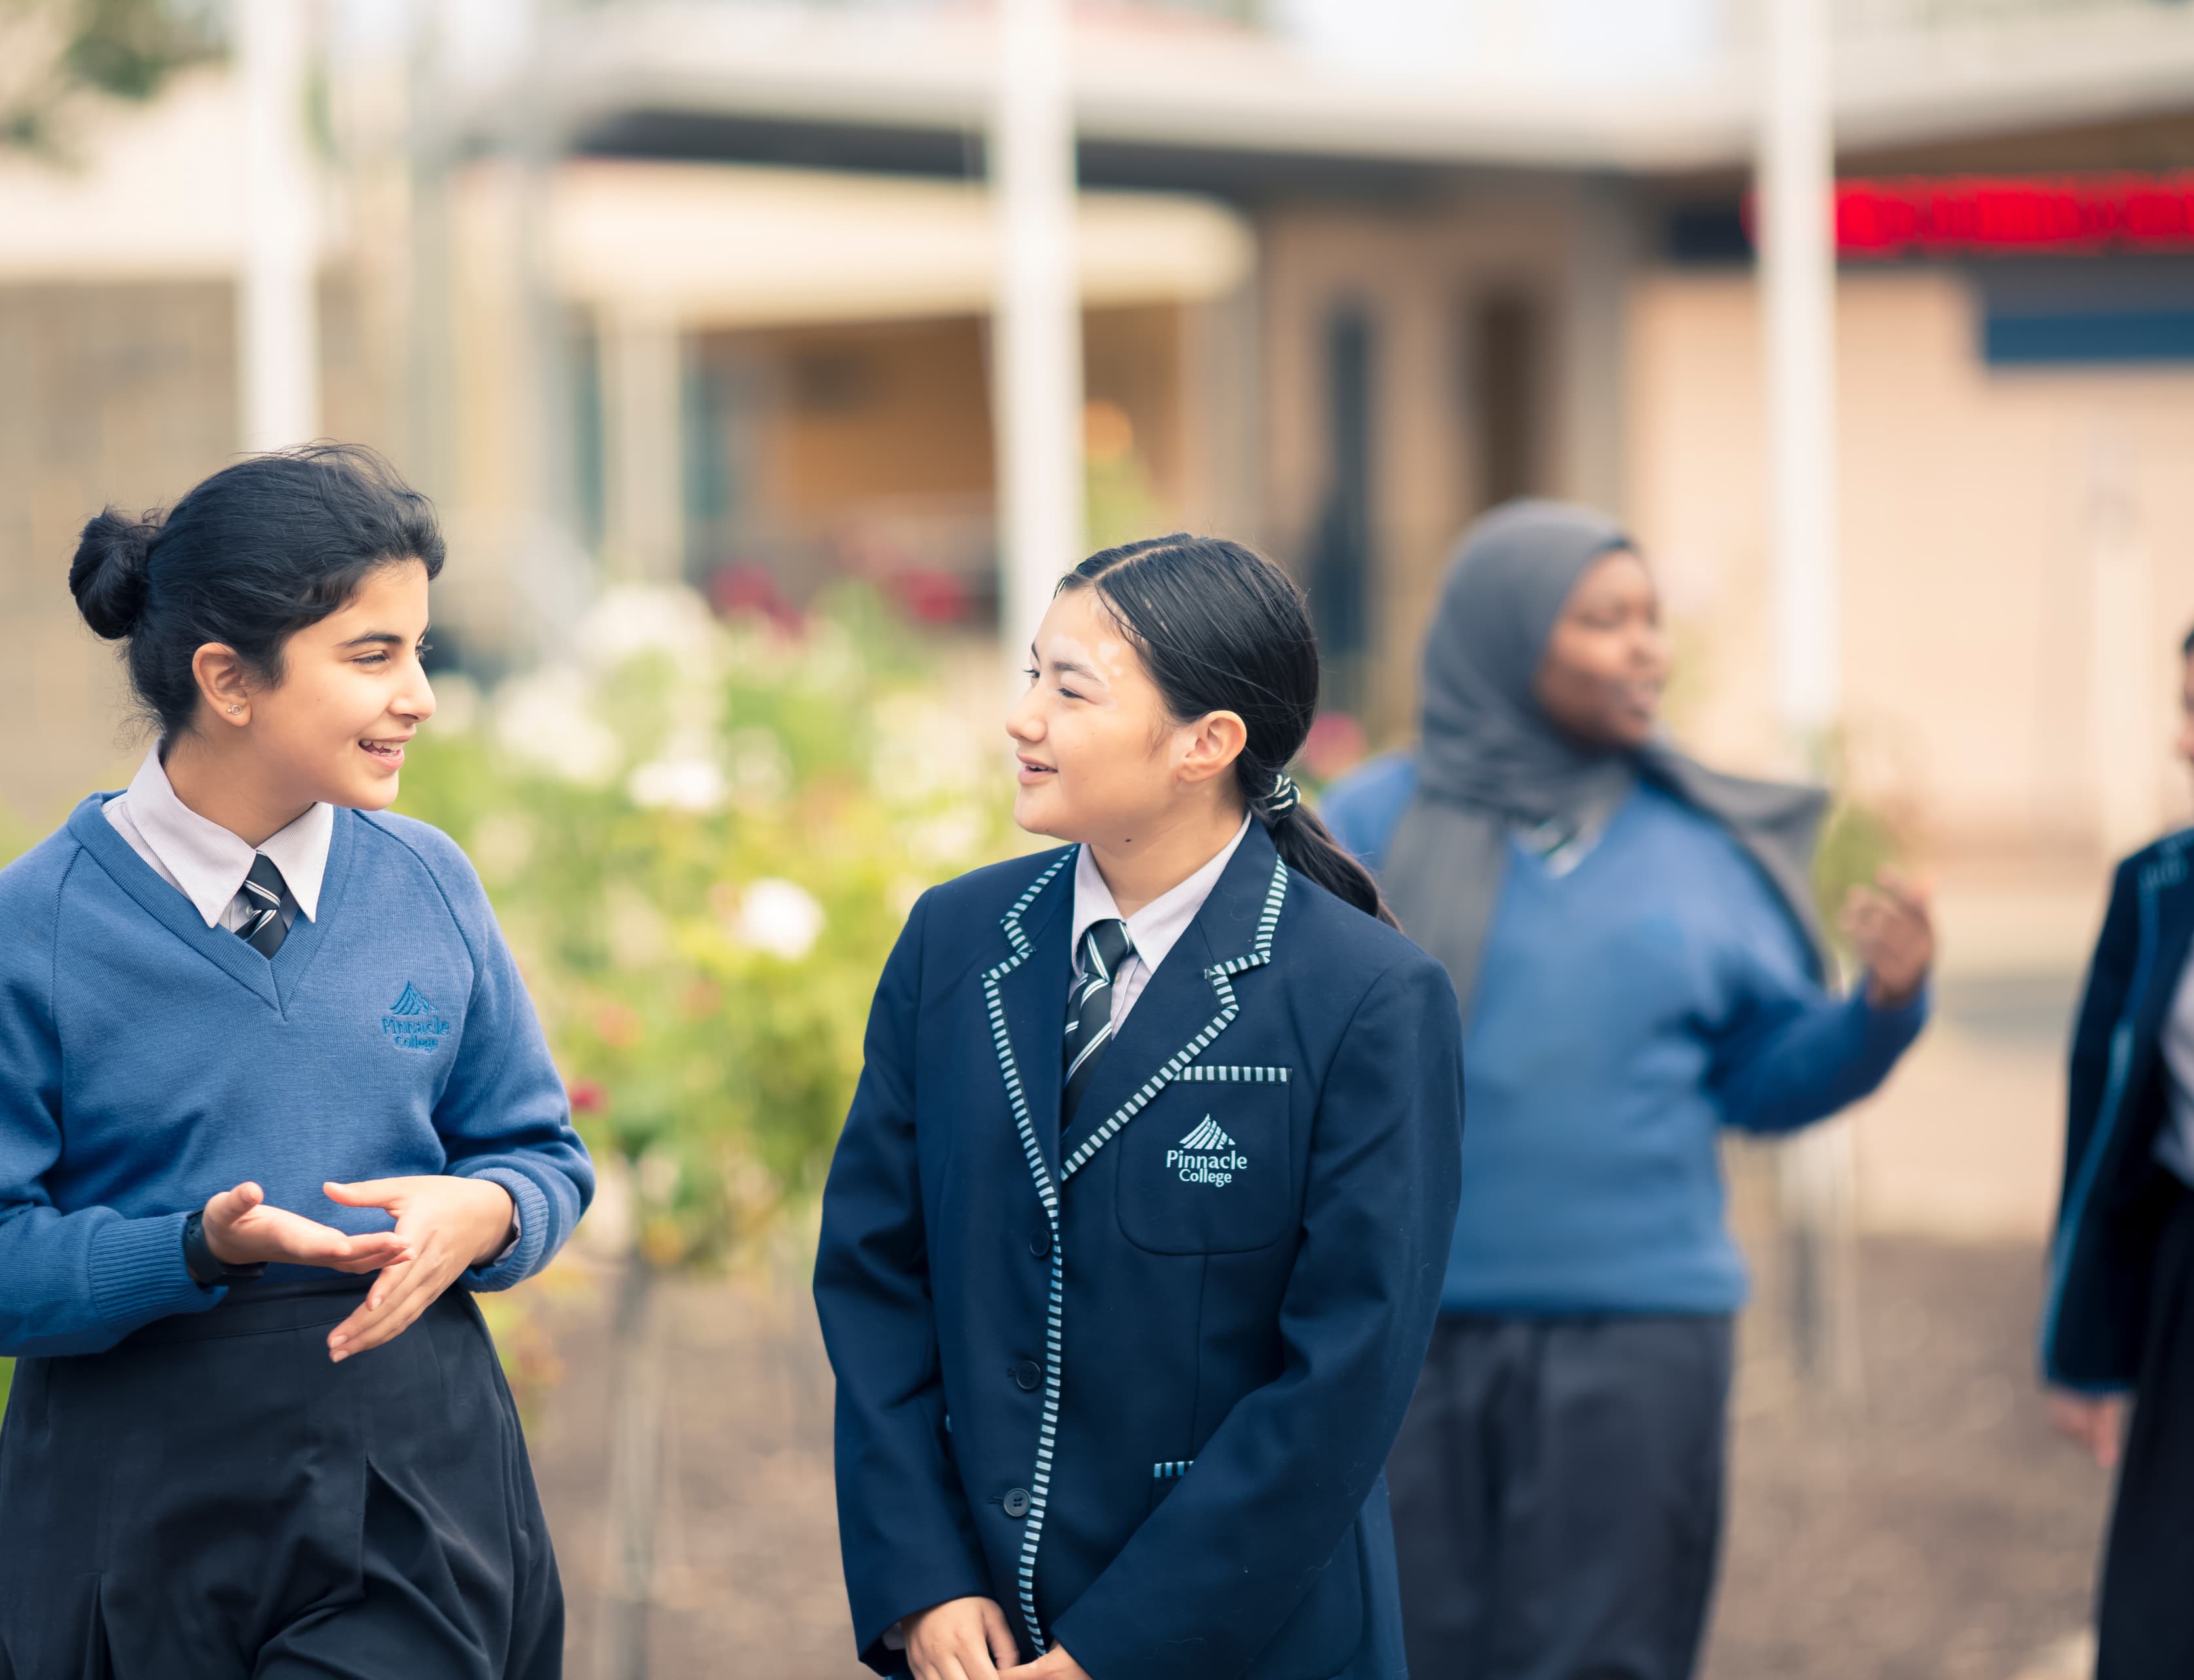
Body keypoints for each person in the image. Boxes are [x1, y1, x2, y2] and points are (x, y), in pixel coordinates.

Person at [0, 444, 591, 1680]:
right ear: (228, 679)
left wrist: (483, 1210)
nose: (422, 695)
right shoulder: (39, 925)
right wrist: (194, 1247)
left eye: (420, 651)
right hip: (132, 1528)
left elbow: (542, 1157)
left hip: (416, 1506)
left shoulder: (429, 883)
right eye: (374, 656)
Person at [814, 534, 1464, 1680]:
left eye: (1070, 689)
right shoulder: (954, 943)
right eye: (1031, 675)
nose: (1022, 718)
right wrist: (923, 1577)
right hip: (982, 1631)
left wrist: (1115, 1652)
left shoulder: (1368, 998)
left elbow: (1341, 1383)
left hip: (1250, 1641)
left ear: (1206, 744)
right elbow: (875, 1278)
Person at [1322, 499, 1934, 1680]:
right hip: (1401, 1336)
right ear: (1503, 635)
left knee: (1608, 1656)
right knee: (1401, 1652)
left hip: (1640, 1337)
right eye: (1605, 620)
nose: (1647, 646)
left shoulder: (1700, 843)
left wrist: (1880, 1012)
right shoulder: (1369, 829)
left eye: (1651, 619)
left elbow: (1762, 1077)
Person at [2042, 625, 2194, 1680]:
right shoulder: (2155, 891)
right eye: (2185, 709)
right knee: (2160, 1621)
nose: (2183, 744)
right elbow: (2103, 1134)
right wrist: (2085, 1343)